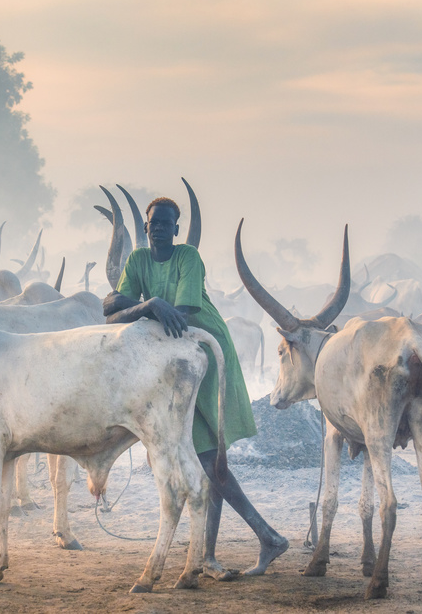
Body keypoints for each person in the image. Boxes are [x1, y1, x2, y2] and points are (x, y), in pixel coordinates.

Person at [103, 196, 288, 579]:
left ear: (176, 227)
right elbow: (110, 308)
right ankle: (219, 553)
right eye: (154, 223)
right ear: (146, 228)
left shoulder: (188, 257)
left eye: (167, 223)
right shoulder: (137, 261)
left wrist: (139, 306)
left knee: (208, 458)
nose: (159, 229)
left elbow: (180, 317)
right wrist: (150, 302)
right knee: (205, 461)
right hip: (174, 363)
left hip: (206, 352)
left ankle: (248, 542)